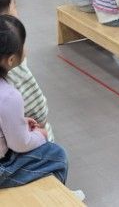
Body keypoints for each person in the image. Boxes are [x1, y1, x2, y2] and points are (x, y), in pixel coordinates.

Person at [0, 16, 68, 188]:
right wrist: (40, 135)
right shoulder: (9, 95)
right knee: (57, 155)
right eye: (23, 45)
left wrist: (20, 122)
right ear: (10, 60)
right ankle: (54, 196)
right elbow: (20, 144)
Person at [2, 0, 54, 142]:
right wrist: (41, 133)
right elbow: (38, 114)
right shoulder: (14, 72)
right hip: (30, 138)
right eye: (15, 6)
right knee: (58, 154)